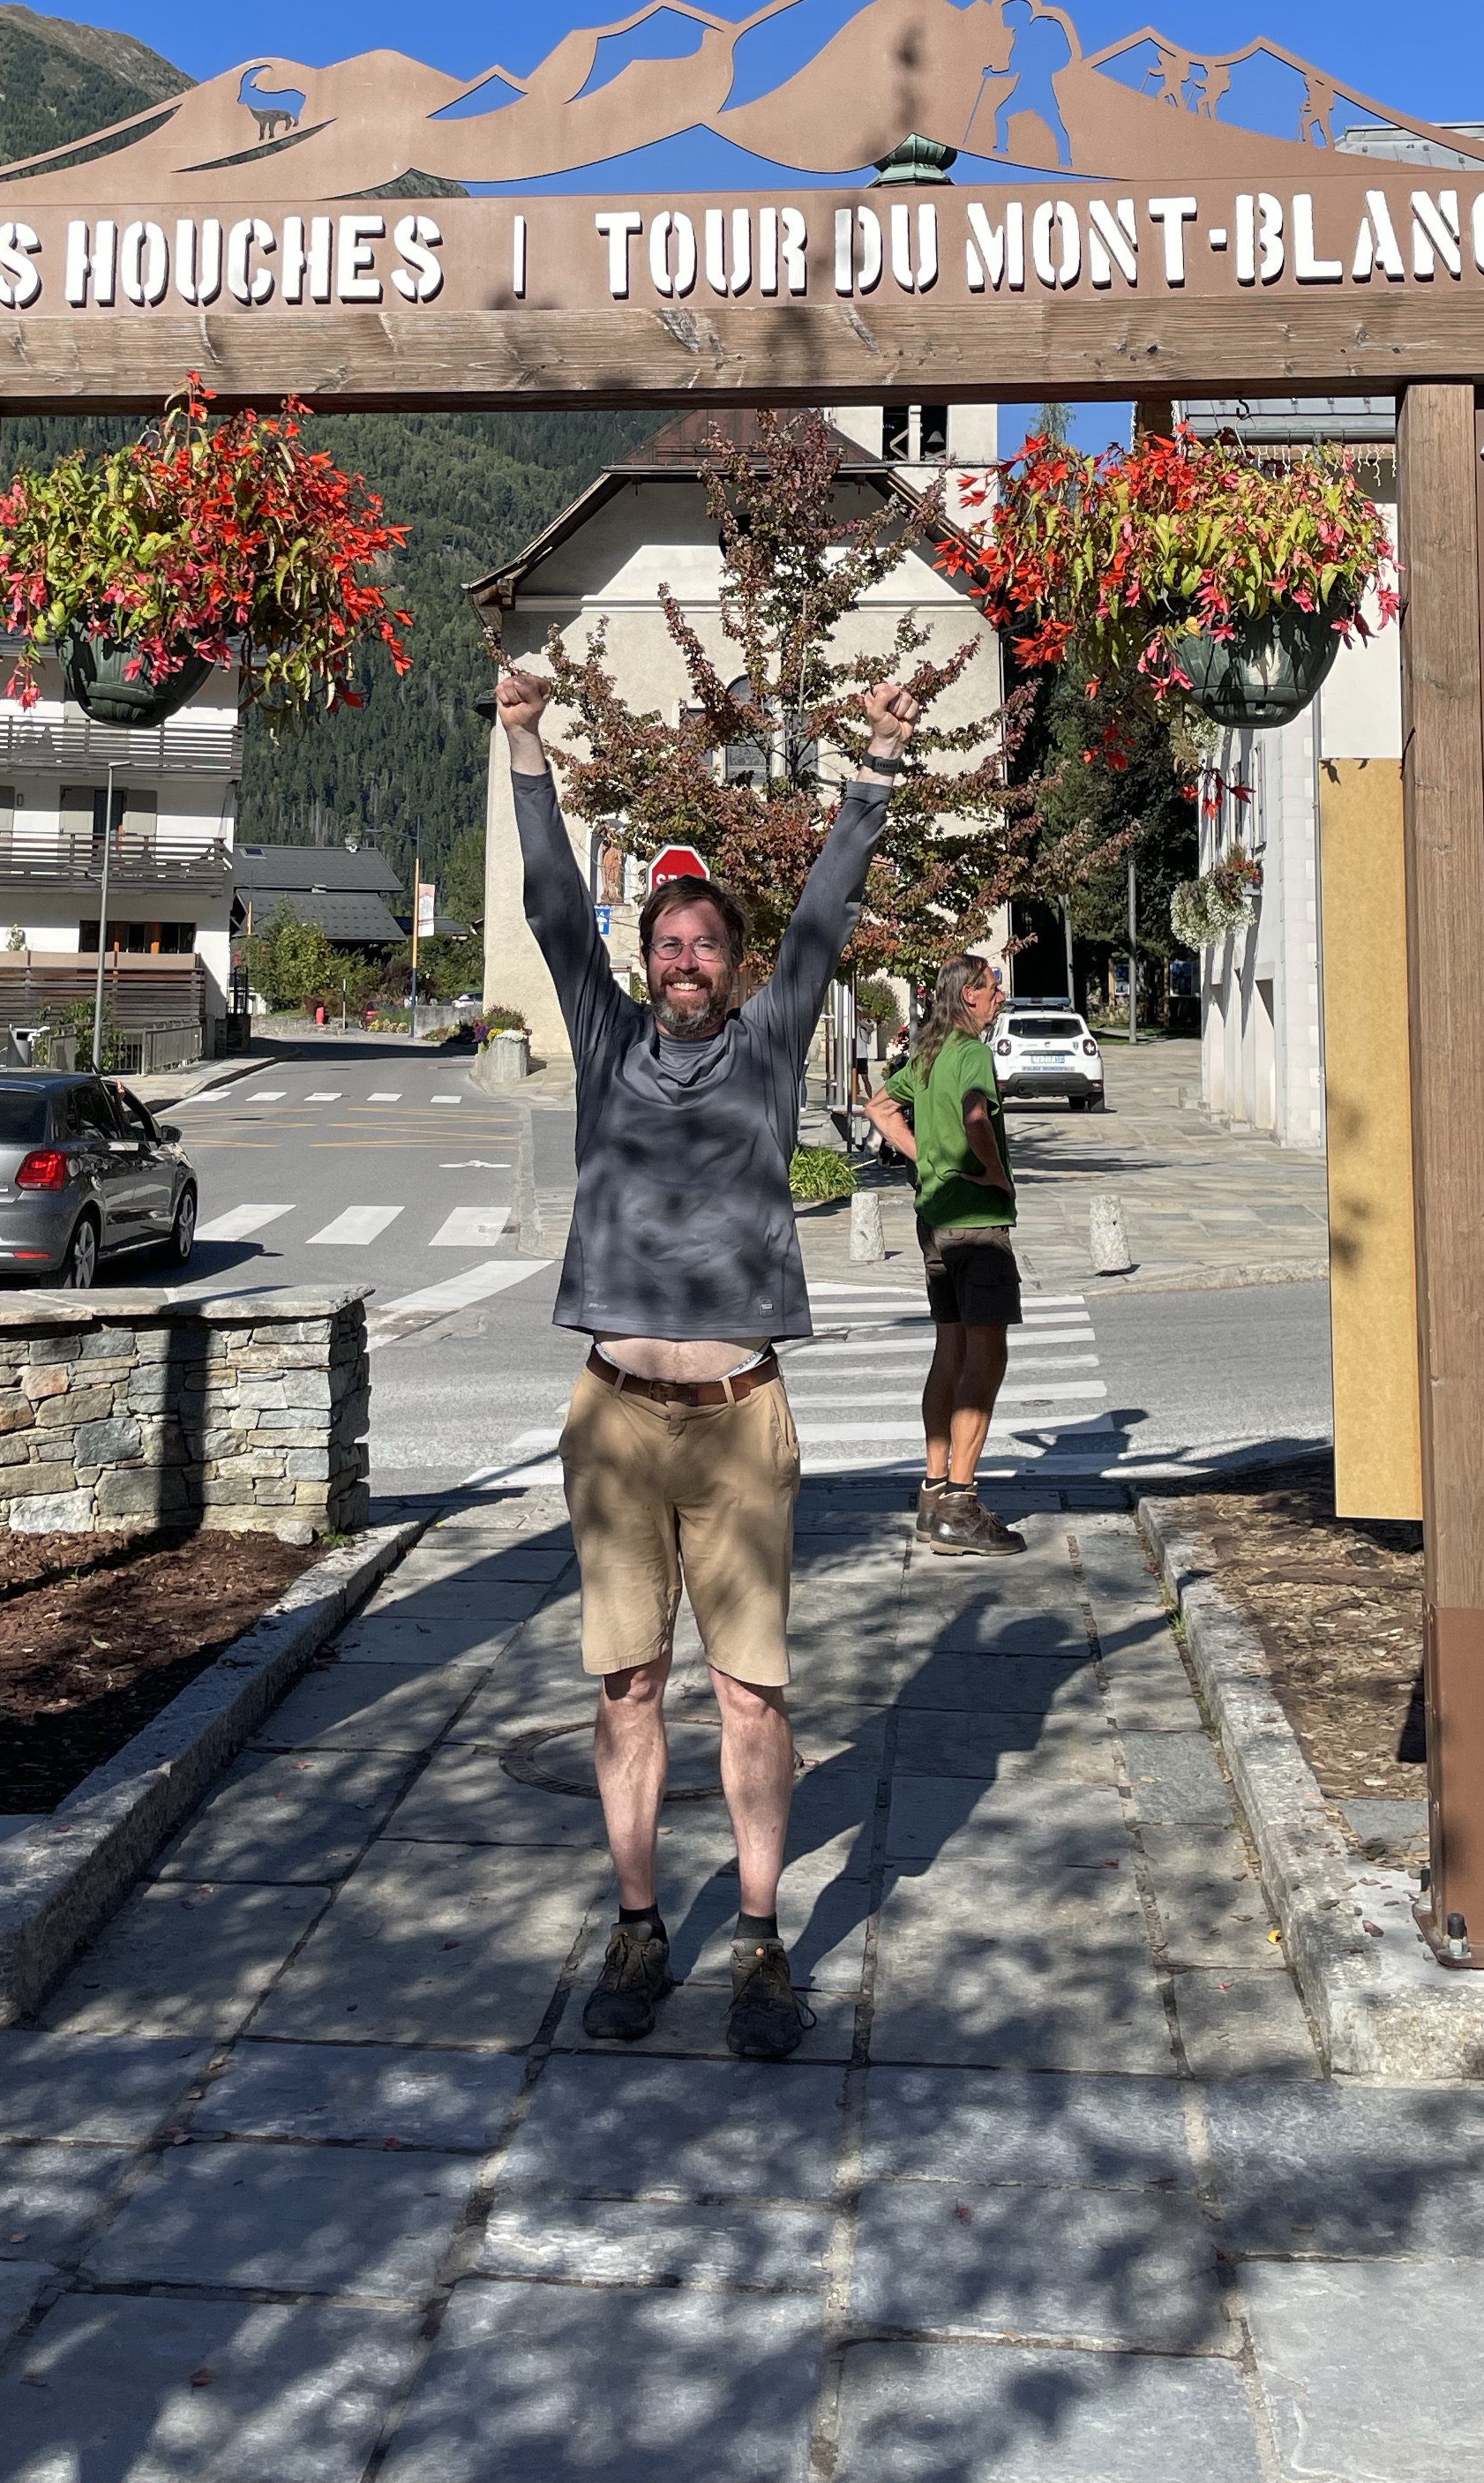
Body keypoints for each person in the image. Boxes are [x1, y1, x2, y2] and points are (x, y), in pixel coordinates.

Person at [498, 659, 920, 2059]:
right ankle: (636, 1926)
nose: (685, 961)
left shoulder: (769, 1046)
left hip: (740, 1420)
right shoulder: (607, 1038)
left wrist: (872, 771)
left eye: (705, 945)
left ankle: (757, 1939)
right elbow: (552, 904)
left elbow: (828, 911)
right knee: (626, 1686)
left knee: (751, 1692)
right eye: (668, 943)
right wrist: (527, 751)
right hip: (618, 1421)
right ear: (646, 961)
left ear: (735, 966)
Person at [863, 949, 1027, 1557]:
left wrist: (925, 1158)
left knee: (949, 1351)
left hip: (934, 1221)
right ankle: (960, 1503)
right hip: (977, 1225)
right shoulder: (973, 1053)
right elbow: (976, 1115)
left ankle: (934, 1494)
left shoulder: (930, 1054)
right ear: (968, 996)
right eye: (992, 988)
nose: (999, 996)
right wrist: (995, 1174)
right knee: (986, 1361)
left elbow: (878, 1108)